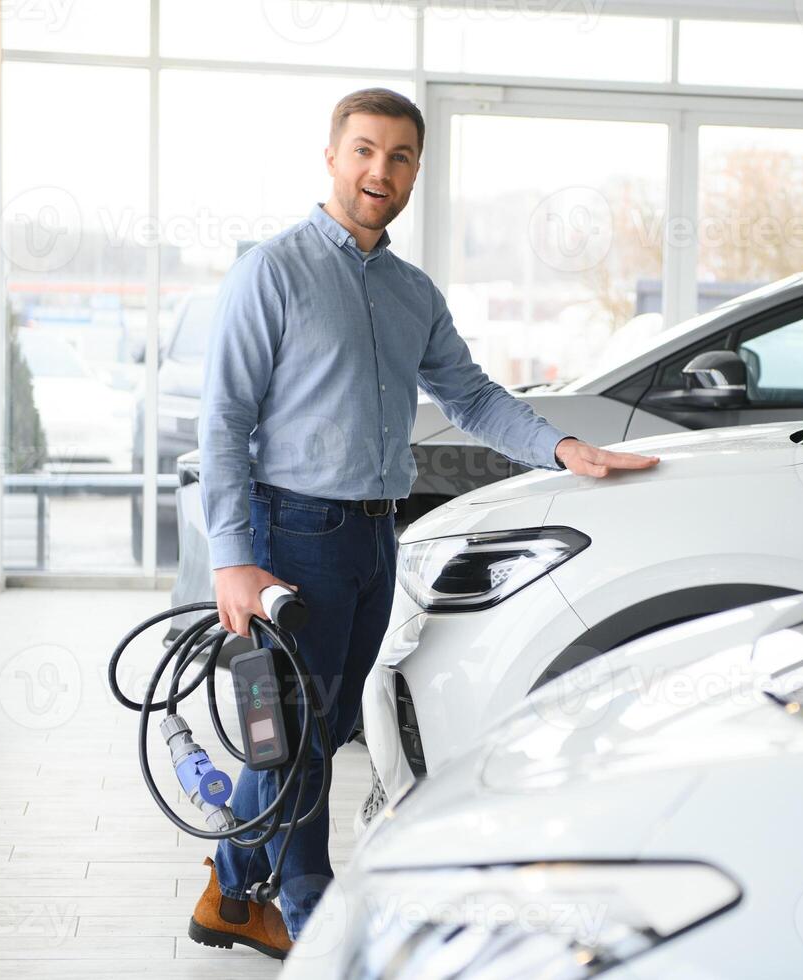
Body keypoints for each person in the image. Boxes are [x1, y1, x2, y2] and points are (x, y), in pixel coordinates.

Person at [187, 88, 660, 959]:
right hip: (289, 536)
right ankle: (311, 912)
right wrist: (232, 557)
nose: (381, 171)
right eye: (365, 150)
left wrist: (564, 449)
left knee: (317, 732)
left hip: (375, 538)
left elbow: (471, 397)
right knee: (296, 736)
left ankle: (229, 882)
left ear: (415, 171)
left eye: (400, 156)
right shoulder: (274, 271)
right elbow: (223, 420)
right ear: (331, 157)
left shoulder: (411, 292)